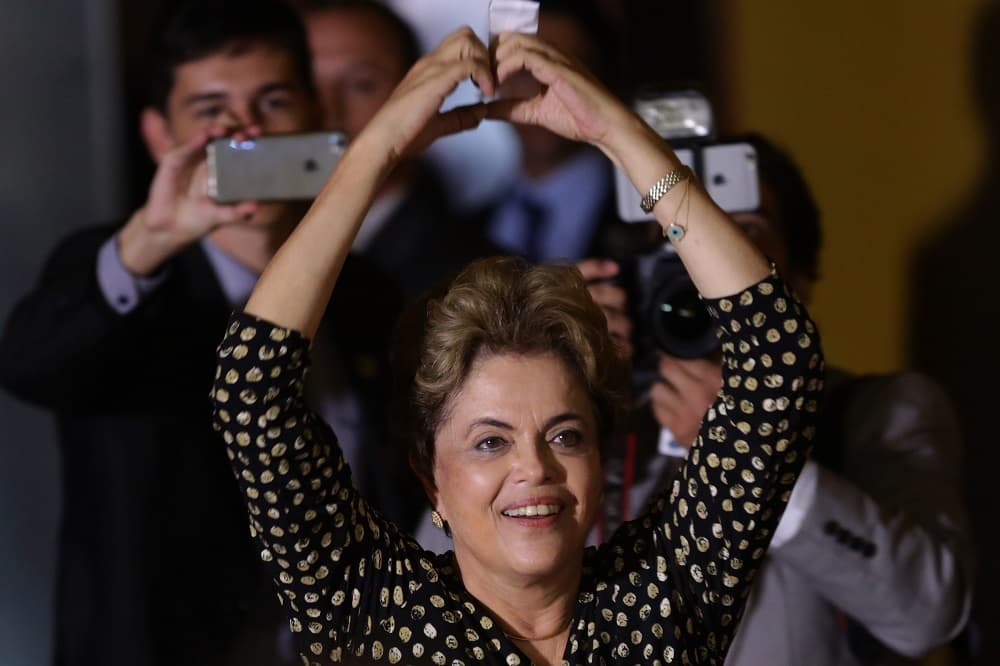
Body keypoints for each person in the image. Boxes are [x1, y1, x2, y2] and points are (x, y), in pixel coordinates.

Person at [211, 27, 824, 665]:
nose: (536, 470)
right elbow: (251, 390)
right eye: (490, 441)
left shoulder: (664, 599)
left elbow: (777, 363)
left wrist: (618, 135)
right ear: (432, 479)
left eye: (565, 436)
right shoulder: (371, 610)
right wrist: (375, 153)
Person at [0, 1, 398, 664]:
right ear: (161, 136)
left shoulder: (369, 291)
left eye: (272, 102)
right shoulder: (123, 273)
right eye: (212, 111)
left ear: (314, 116)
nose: (244, 133)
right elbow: (29, 362)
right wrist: (149, 241)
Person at [623, 134, 973, 665]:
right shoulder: (596, 427)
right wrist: (556, 360)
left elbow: (928, 614)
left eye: (744, 235)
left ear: (801, 276)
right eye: (674, 236)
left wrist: (753, 450)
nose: (705, 263)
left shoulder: (878, 414)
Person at [299, 0, 498, 302]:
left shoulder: (474, 276)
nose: (326, 111)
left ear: (422, 96)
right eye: (307, 85)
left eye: (361, 85)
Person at [482, 0, 631, 264]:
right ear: (495, 81)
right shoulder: (466, 225)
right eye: (522, 71)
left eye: (566, 71)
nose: (543, 92)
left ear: (605, 79)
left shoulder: (653, 215)